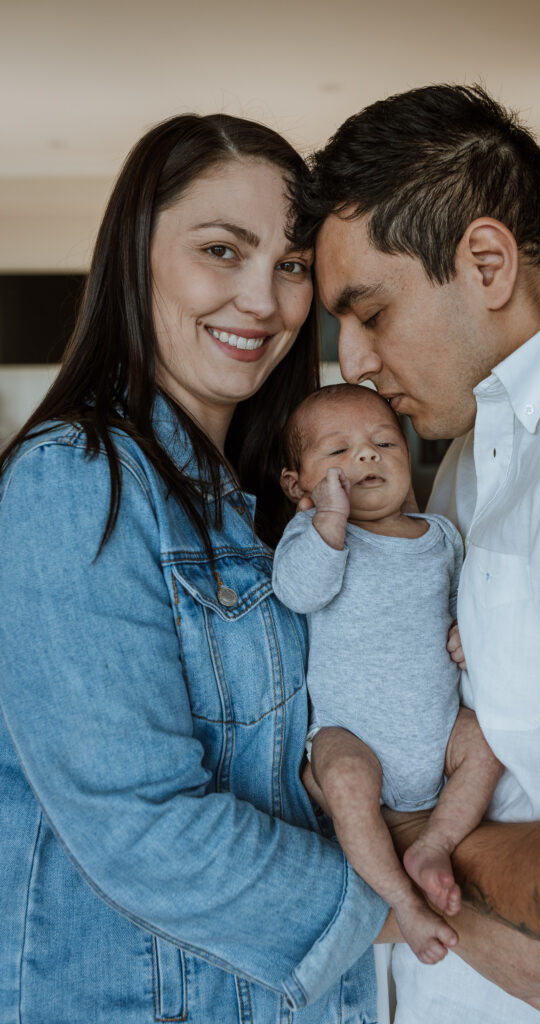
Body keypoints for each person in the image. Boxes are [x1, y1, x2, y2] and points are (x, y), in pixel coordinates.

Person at [296, 83, 540, 1023]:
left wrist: (432, 852)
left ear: (485, 260)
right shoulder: (476, 438)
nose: (352, 361)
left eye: (371, 312)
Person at [0, 112, 392, 1023]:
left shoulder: (267, 507)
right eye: (222, 250)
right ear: (137, 255)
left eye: (292, 266)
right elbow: (143, 827)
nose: (263, 300)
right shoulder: (76, 478)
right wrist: (427, 913)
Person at [271, 382, 502, 964]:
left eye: (383, 442)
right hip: (352, 736)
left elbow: (461, 601)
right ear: (297, 485)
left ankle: (435, 843)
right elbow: (297, 592)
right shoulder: (316, 537)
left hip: (437, 731)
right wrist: (326, 520)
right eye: (338, 452)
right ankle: (402, 900)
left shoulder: (441, 536)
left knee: (487, 742)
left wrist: (466, 630)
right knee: (345, 783)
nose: (366, 456)